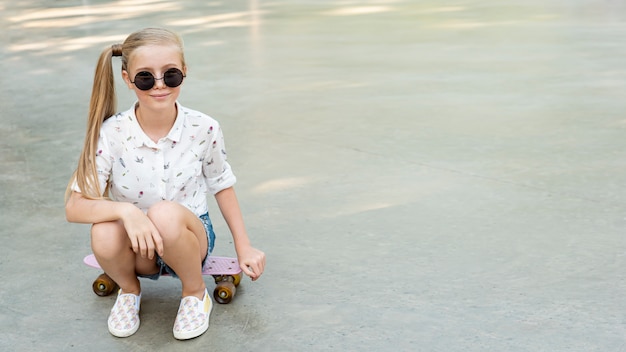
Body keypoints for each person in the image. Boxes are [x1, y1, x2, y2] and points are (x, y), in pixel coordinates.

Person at [64, 28, 265, 340]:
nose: (159, 85)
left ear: (184, 72)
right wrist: (127, 213)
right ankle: (129, 291)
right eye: (146, 77)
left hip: (188, 239)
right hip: (138, 249)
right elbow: (74, 207)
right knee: (104, 228)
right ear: (128, 79)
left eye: (170, 75)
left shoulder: (204, 128)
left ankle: (195, 293)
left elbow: (222, 184)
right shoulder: (112, 133)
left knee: (165, 213)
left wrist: (244, 245)